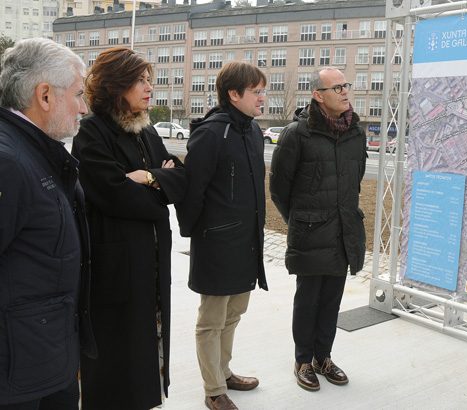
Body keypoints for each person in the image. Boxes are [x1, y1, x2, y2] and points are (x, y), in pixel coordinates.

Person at [71, 47, 186, 410]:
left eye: (150, 80)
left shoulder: (145, 128)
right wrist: (158, 185)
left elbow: (180, 176)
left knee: (147, 348)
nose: (150, 87)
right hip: (115, 268)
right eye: (140, 80)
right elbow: (115, 195)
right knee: (116, 357)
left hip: (150, 262)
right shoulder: (92, 133)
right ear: (115, 85)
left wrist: (149, 177)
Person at [0, 38, 95, 409]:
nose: (84, 107)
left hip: (42, 358)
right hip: (18, 377)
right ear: (44, 96)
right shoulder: (9, 163)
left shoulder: (36, 153)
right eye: (78, 94)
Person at [176, 61, 268, 410]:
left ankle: (224, 371)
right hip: (217, 243)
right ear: (234, 94)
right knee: (211, 320)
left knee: (234, 313)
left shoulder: (253, 131)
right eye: (257, 92)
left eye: (262, 90)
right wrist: (197, 234)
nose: (263, 98)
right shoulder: (212, 132)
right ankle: (214, 389)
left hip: (247, 242)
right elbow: (193, 190)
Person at [270, 67, 366, 392]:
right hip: (311, 233)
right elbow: (279, 188)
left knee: (331, 302)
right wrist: (300, 220)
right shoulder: (297, 134)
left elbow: (355, 181)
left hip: (342, 233)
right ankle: (302, 360)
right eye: (336, 87)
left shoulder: (356, 133)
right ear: (317, 94)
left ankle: (323, 358)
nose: (344, 91)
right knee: (308, 300)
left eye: (345, 85)